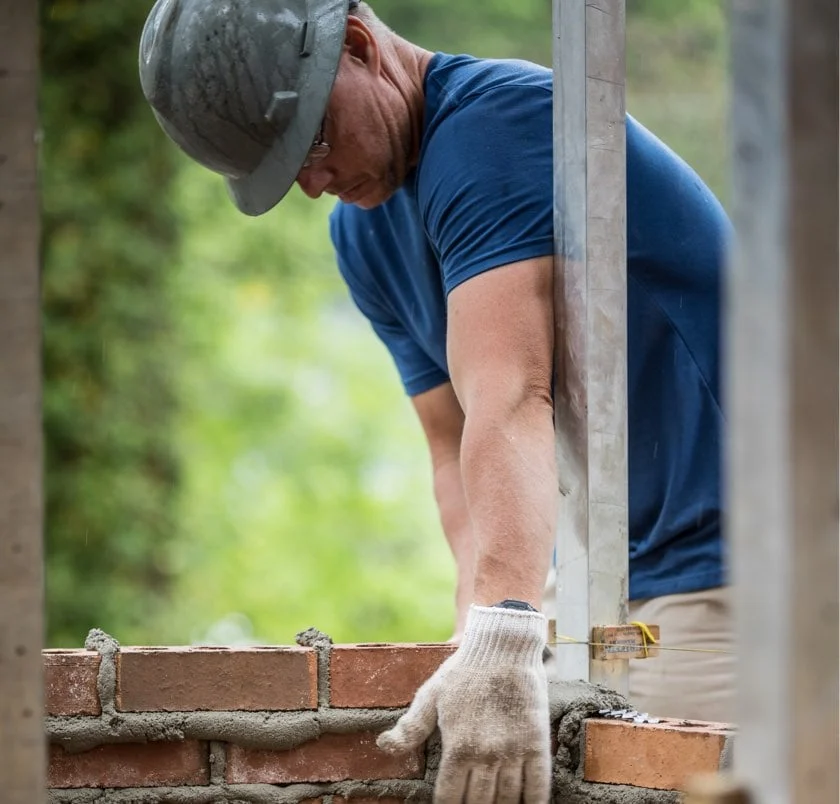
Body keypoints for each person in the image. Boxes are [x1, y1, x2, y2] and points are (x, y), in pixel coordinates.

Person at [139, 0, 734, 799]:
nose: (314, 186)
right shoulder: (364, 231)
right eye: (285, 175)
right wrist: (474, 634)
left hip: (738, 563)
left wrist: (506, 626)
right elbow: (453, 447)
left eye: (310, 142)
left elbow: (513, 397)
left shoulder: (501, 131)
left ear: (358, 46)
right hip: (613, 573)